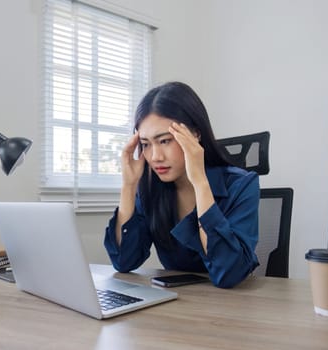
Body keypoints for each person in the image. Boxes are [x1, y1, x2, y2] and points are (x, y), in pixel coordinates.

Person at [104, 81, 259, 288]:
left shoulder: (241, 185)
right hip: (177, 303)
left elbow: (228, 274)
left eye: (165, 141)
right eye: (145, 144)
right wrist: (129, 186)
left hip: (231, 307)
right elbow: (123, 261)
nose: (155, 156)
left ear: (195, 134)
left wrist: (200, 183)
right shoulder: (151, 187)